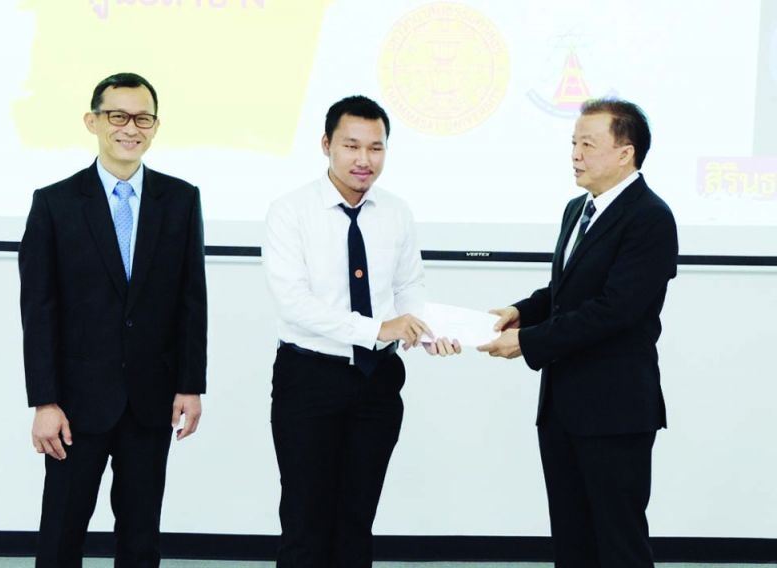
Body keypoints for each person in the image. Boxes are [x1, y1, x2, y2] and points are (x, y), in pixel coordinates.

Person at [478, 98, 678, 568]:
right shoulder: (577, 209)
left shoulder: (650, 216)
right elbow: (565, 290)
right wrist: (522, 312)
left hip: (614, 412)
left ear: (625, 153)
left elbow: (614, 310)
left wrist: (528, 342)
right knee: (572, 541)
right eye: (573, 143)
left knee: (619, 543)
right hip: (562, 407)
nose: (575, 155)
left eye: (587, 144)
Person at [19, 72, 207, 568]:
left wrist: (190, 385)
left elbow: (192, 301)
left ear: (155, 126)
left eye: (143, 118)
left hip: (151, 399)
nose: (130, 128)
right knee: (61, 535)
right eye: (118, 116)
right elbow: (38, 312)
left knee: (141, 538)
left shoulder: (181, 199)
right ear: (93, 121)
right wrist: (44, 401)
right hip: (74, 405)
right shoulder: (54, 203)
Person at [263, 94, 458, 568]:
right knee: (305, 519)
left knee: (356, 519)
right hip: (309, 379)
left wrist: (425, 331)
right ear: (326, 145)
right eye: (351, 146)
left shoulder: (396, 211)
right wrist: (377, 328)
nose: (364, 159)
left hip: (377, 382)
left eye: (376, 148)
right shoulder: (290, 211)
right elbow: (294, 303)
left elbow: (409, 285)